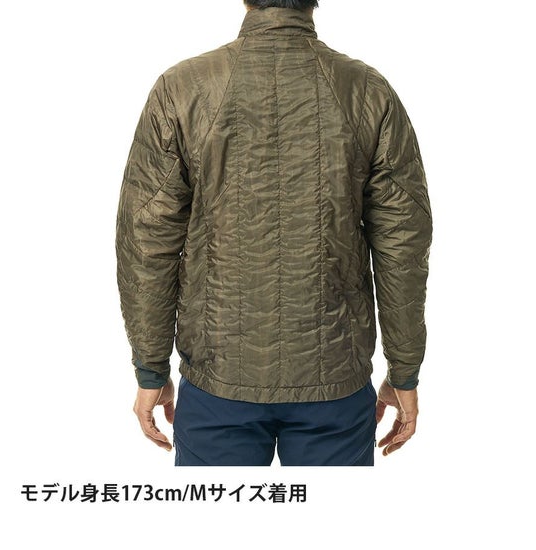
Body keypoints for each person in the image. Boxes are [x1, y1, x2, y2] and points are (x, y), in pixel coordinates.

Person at [116, 0, 433, 466]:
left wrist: (151, 367)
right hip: (334, 380)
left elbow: (146, 239)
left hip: (219, 378)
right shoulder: (366, 90)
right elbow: (402, 243)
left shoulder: (182, 87)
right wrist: (403, 371)